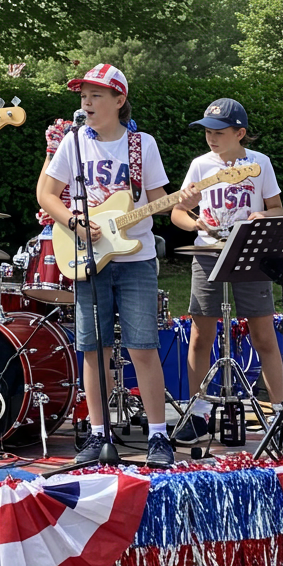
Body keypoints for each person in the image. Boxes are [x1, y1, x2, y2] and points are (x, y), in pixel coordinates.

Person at [36, 63, 175, 468]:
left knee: (142, 346)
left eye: (96, 95)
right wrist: (74, 222)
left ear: (119, 100)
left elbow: (158, 200)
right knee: (94, 348)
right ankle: (98, 433)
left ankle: (158, 435)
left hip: (136, 259)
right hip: (88, 258)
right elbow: (47, 194)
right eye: (84, 96)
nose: (87, 102)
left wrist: (182, 200)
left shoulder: (142, 145)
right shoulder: (74, 141)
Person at [171, 98, 283, 444]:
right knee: (200, 335)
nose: (211, 137)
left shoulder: (260, 163)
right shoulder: (200, 165)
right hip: (207, 253)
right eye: (207, 131)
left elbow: (277, 208)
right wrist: (194, 223)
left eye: (219, 131)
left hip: (250, 253)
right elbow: (177, 212)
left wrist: (262, 217)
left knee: (263, 334)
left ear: (240, 133)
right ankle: (198, 413)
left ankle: (279, 414)